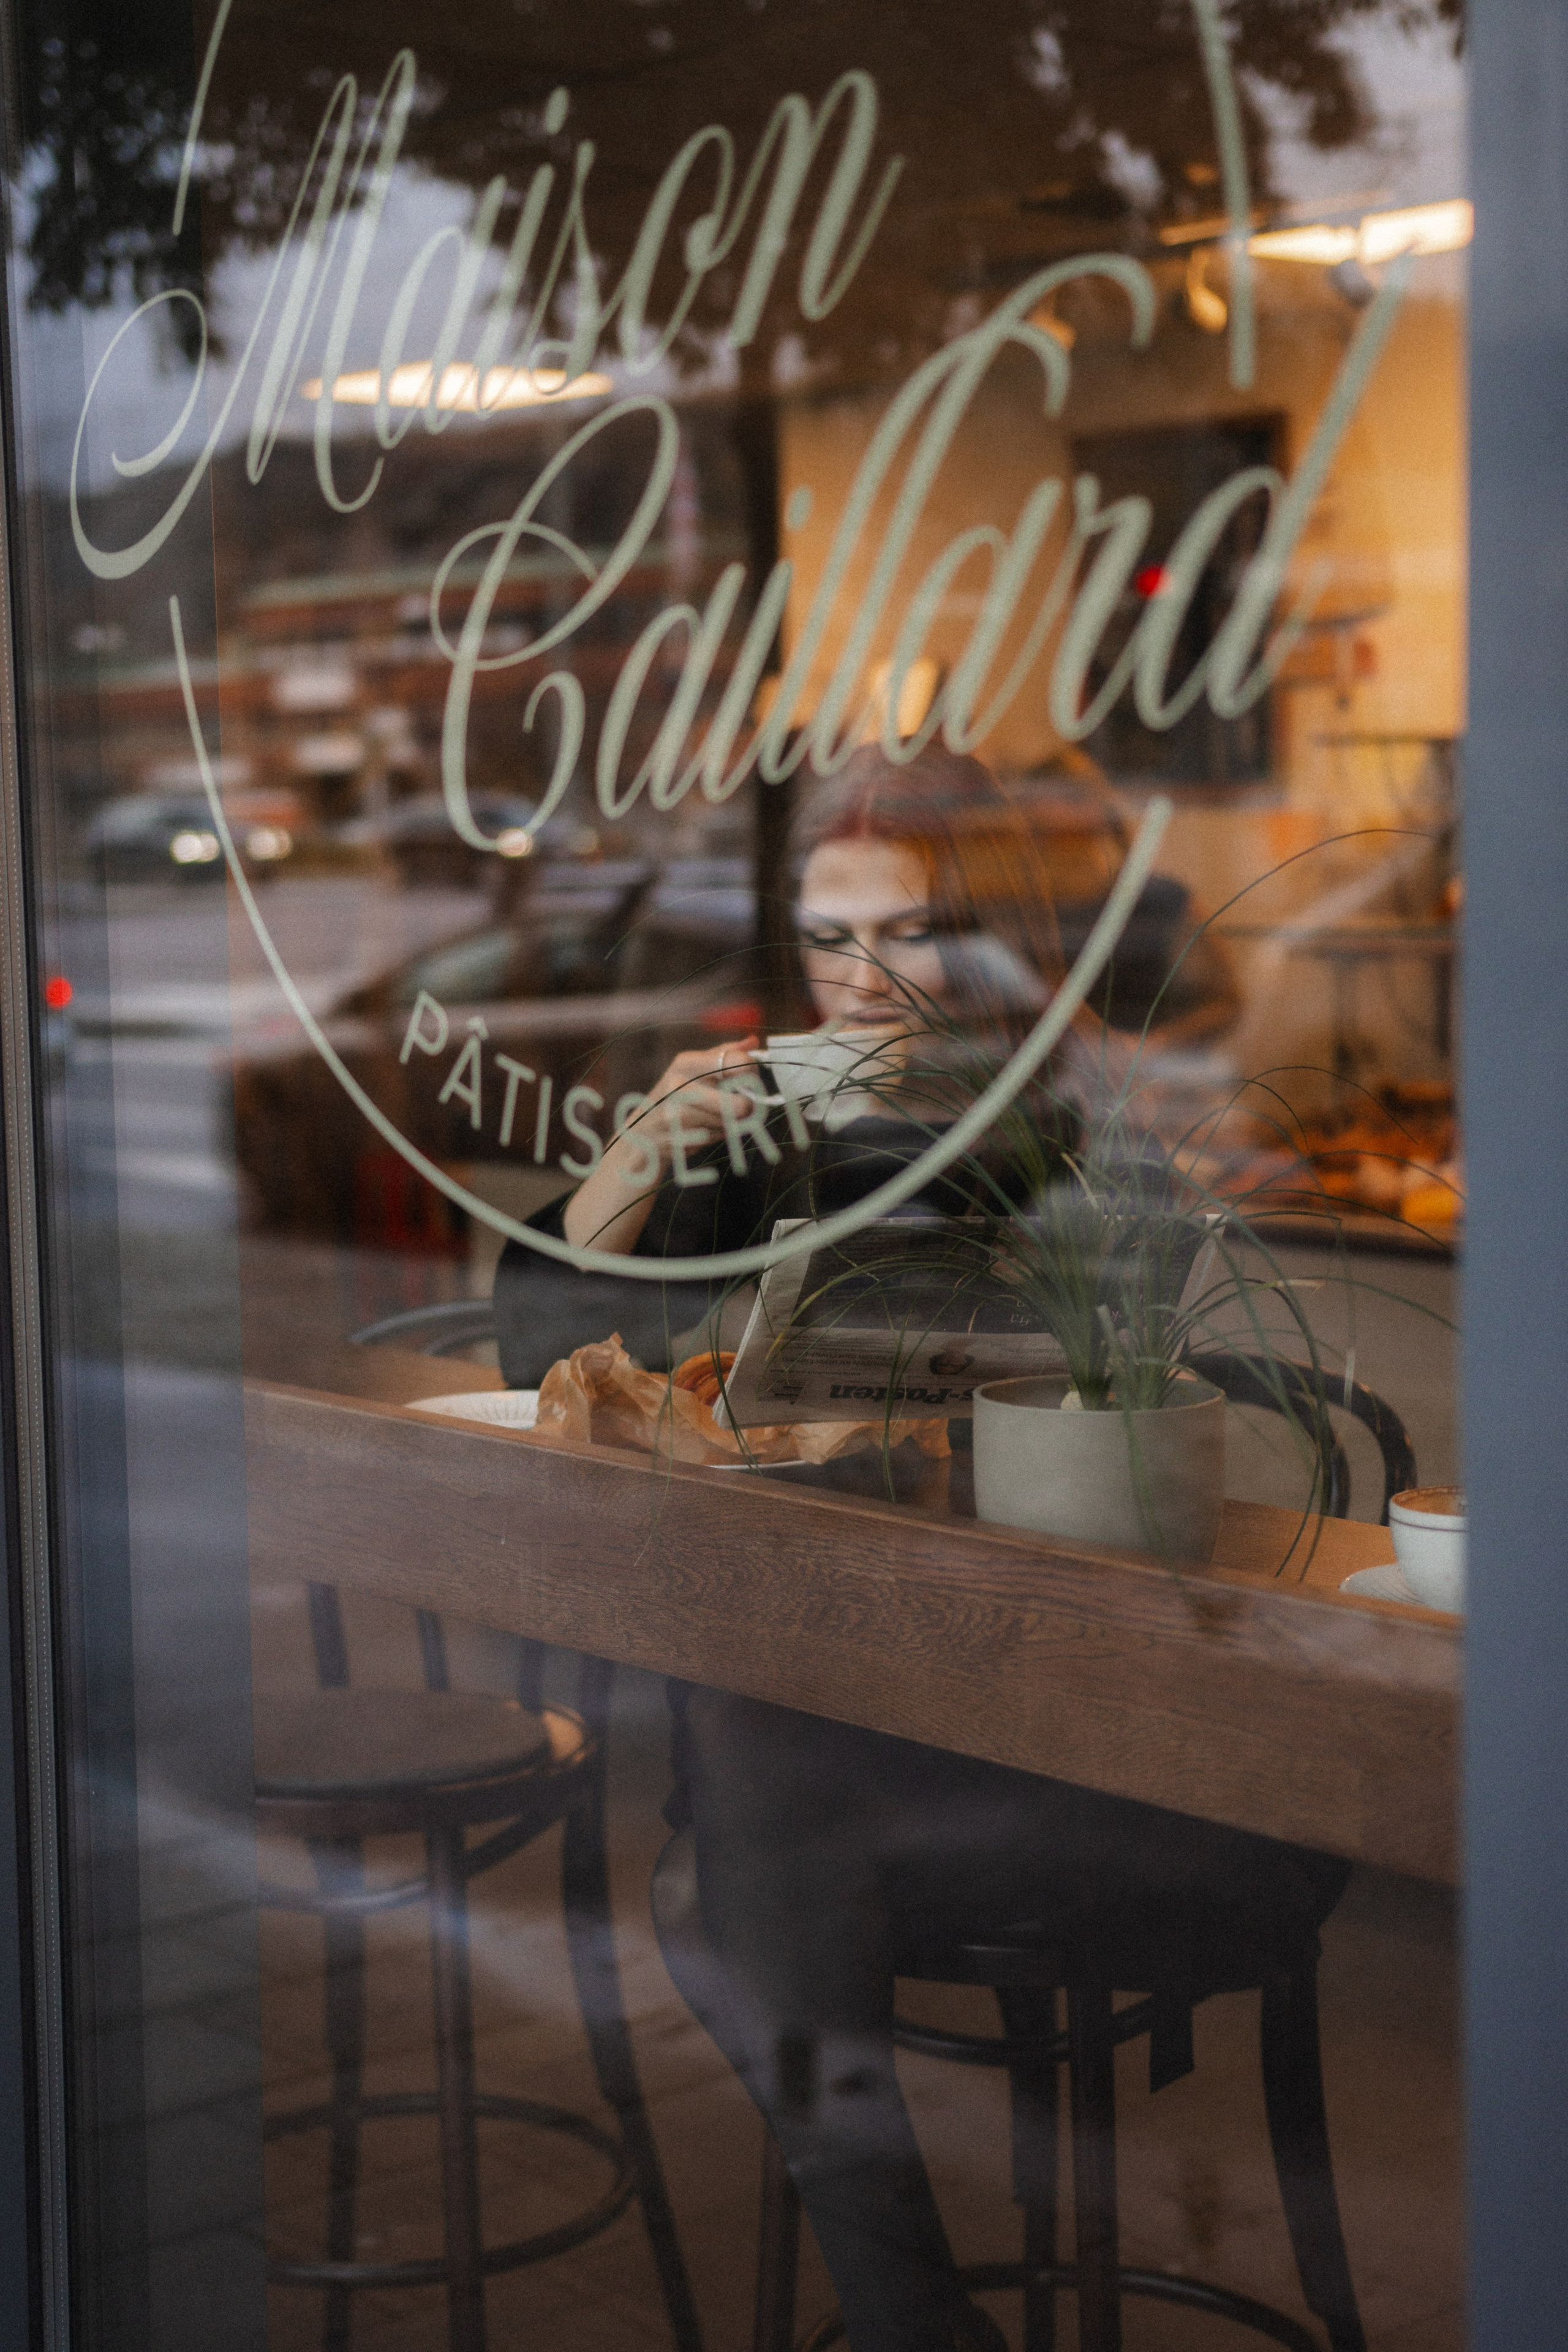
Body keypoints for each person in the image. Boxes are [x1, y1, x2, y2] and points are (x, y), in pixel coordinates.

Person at [492, 744, 1341, 2352]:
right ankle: (916, 2317)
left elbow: (1140, 1417)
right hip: (846, 1702)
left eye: (914, 933)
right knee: (746, 1774)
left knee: (716, 1861)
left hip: (1057, 1703)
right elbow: (537, 1347)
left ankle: (915, 2319)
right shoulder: (762, 1134)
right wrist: (634, 1165)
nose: (865, 979)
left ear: (997, 946)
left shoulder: (1078, 1129)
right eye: (830, 937)